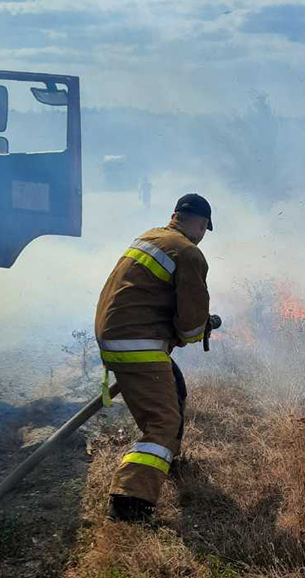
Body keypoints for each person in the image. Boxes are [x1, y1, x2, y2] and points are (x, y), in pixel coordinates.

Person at [94, 193, 214, 523]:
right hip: (137, 343)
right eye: (204, 227)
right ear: (202, 224)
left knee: (175, 388)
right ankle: (129, 502)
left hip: (117, 336)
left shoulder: (150, 237)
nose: (202, 234)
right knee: (163, 423)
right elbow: (190, 329)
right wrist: (202, 326)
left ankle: (167, 459)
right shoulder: (190, 253)